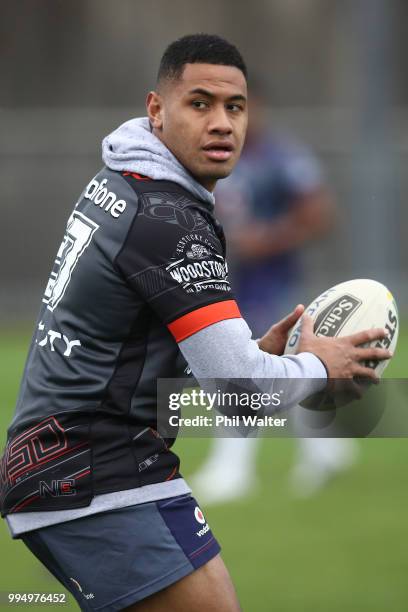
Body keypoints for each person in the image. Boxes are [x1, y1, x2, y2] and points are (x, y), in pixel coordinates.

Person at [0, 34, 390, 612]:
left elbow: (205, 379)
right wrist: (319, 364)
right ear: (156, 109)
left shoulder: (123, 184)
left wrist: (254, 356)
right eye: (199, 103)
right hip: (98, 473)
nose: (222, 123)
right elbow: (242, 393)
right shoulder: (166, 219)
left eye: (234, 106)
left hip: (70, 464)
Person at [191, 84, 357, 503]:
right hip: (230, 281)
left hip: (273, 283)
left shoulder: (285, 157)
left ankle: (233, 468)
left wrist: (270, 238)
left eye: (239, 108)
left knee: (246, 367)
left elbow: (319, 214)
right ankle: (326, 449)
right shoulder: (214, 157)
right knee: (279, 365)